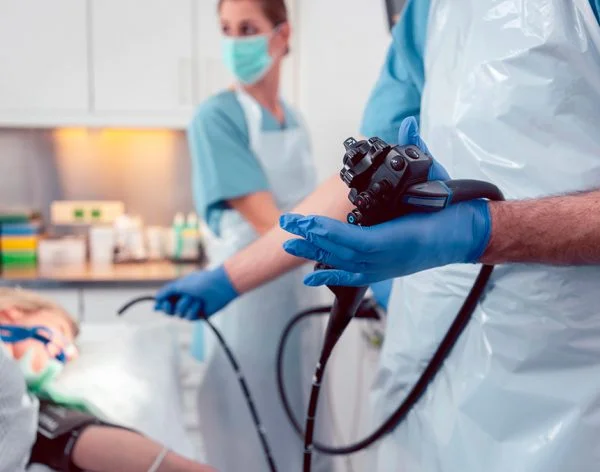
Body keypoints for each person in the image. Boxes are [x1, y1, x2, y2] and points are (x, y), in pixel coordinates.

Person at [157, 0, 600, 470]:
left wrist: (485, 230)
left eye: (247, 28)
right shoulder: (428, 12)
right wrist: (229, 278)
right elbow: (360, 182)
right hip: (425, 341)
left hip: (561, 370)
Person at [155, 1, 333, 471]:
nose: (235, 42)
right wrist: (351, 252)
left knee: (302, 440)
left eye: (248, 28)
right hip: (245, 305)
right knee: (250, 448)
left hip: (297, 304)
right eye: (227, 29)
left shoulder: (294, 119)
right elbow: (274, 227)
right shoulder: (216, 118)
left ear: (281, 35)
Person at [0, 287, 215, 472]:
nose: (68, 353)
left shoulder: (29, 409)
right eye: (62, 332)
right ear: (10, 314)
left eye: (70, 350)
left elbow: (76, 438)